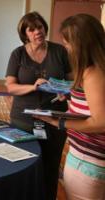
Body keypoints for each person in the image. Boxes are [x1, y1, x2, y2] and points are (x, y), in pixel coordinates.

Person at [35, 14, 105, 200]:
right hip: (89, 159)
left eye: (68, 44)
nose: (67, 48)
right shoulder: (95, 70)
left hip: (89, 161)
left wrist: (59, 122)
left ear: (82, 44)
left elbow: (101, 122)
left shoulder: (93, 73)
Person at [5, 11, 72, 200]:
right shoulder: (17, 54)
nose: (37, 32)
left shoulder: (60, 51)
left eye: (40, 27)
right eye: (32, 29)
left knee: (51, 167)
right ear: (25, 33)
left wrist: (65, 91)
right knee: (23, 164)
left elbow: (72, 82)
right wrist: (32, 86)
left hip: (54, 119)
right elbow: (11, 87)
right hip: (23, 119)